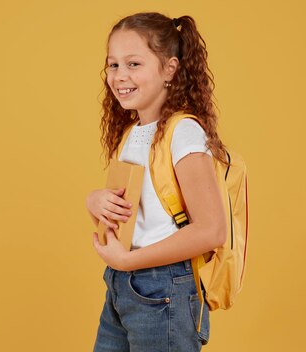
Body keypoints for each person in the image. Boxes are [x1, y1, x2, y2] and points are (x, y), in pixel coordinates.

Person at [86, 12, 229, 352]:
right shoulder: (131, 133)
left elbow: (211, 231)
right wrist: (95, 201)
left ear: (170, 69)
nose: (120, 76)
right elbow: (133, 213)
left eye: (133, 64)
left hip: (163, 288)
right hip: (122, 284)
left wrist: (127, 262)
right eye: (113, 65)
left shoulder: (183, 133)